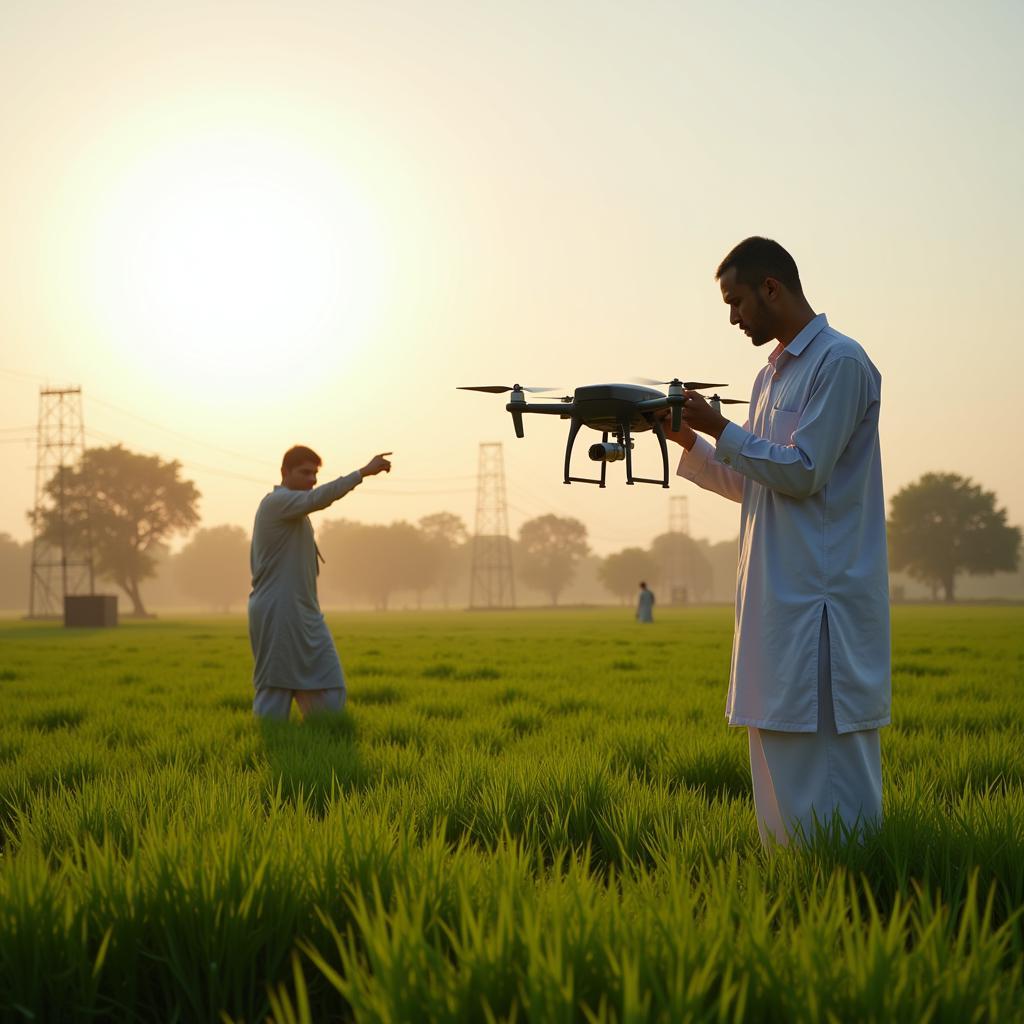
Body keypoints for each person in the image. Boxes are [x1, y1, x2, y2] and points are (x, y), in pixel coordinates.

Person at [661, 237, 889, 846]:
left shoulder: (839, 363)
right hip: (773, 602)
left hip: (820, 605)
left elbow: (805, 470)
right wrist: (693, 441)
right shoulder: (770, 379)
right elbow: (753, 482)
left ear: (770, 288)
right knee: (778, 757)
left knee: (826, 767)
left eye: (736, 301)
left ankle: (852, 899)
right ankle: (795, 888)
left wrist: (721, 425)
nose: (733, 317)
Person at [248, 445, 392, 720]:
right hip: (278, 611)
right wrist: (363, 472)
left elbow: (314, 498)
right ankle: (272, 744)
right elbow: (319, 498)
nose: (312, 480)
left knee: (329, 685)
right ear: (284, 472)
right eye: (305, 473)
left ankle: (323, 735)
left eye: (315, 474)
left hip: (303, 611)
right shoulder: (276, 503)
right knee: (275, 687)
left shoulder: (294, 509)